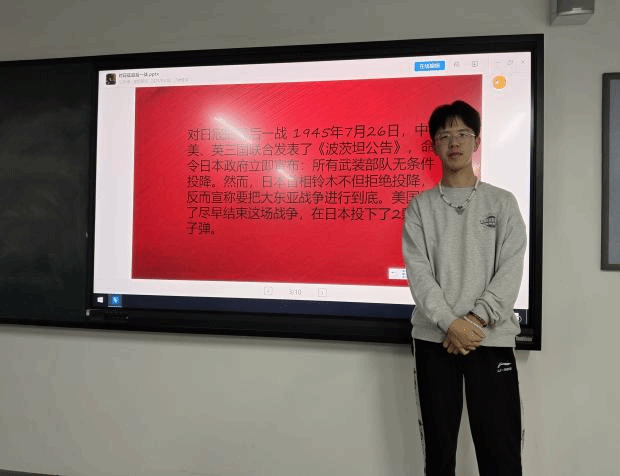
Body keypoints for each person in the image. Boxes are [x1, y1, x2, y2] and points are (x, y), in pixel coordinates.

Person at [402, 100, 526, 476]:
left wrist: (472, 321)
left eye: (462, 134)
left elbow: (510, 269)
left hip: (490, 339)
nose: (453, 142)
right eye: (444, 136)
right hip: (435, 342)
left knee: (501, 455)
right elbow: (419, 274)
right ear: (434, 145)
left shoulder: (502, 203)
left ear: (476, 142)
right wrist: (449, 323)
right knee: (439, 455)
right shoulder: (419, 208)